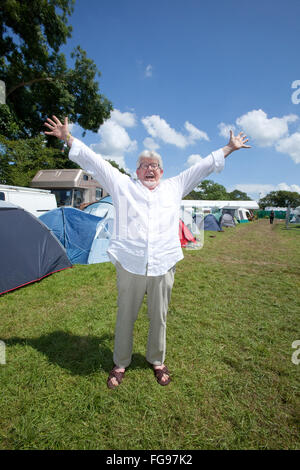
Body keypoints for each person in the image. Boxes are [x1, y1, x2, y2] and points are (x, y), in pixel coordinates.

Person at [44, 115, 251, 389]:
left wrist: (229, 148)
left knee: (160, 317)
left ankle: (157, 360)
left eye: (154, 166)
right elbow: (95, 161)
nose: (149, 169)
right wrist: (68, 138)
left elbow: (202, 167)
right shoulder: (122, 185)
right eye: (144, 166)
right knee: (125, 317)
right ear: (137, 171)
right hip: (130, 264)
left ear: (162, 171)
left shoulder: (175, 186)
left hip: (164, 264)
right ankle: (120, 363)